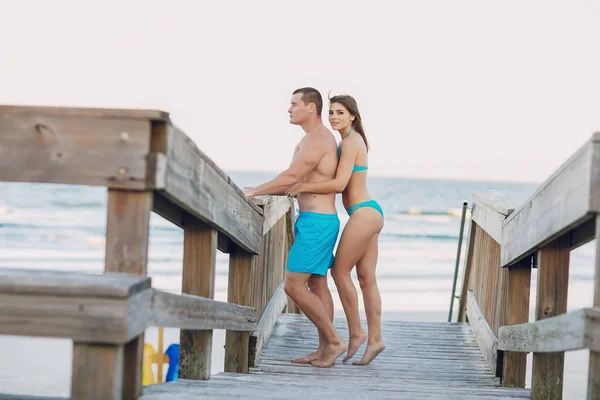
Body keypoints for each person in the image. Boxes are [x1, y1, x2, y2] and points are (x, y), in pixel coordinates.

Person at [243, 87, 347, 368]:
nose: (289, 109)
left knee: (293, 285)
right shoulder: (312, 139)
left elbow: (291, 175)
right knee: (316, 282)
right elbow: (292, 184)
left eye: (294, 104)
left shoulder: (316, 140)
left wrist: (254, 192)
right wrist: (267, 190)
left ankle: (335, 340)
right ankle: (325, 348)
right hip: (315, 220)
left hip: (317, 224)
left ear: (311, 108)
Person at [286, 94, 385, 366]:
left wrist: (303, 186)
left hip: (364, 212)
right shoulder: (348, 141)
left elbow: (340, 183)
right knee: (366, 278)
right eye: (331, 112)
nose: (333, 117)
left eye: (340, 112)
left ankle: (356, 333)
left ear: (353, 116)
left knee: (339, 272)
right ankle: (375, 339)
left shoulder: (352, 142)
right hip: (368, 212)